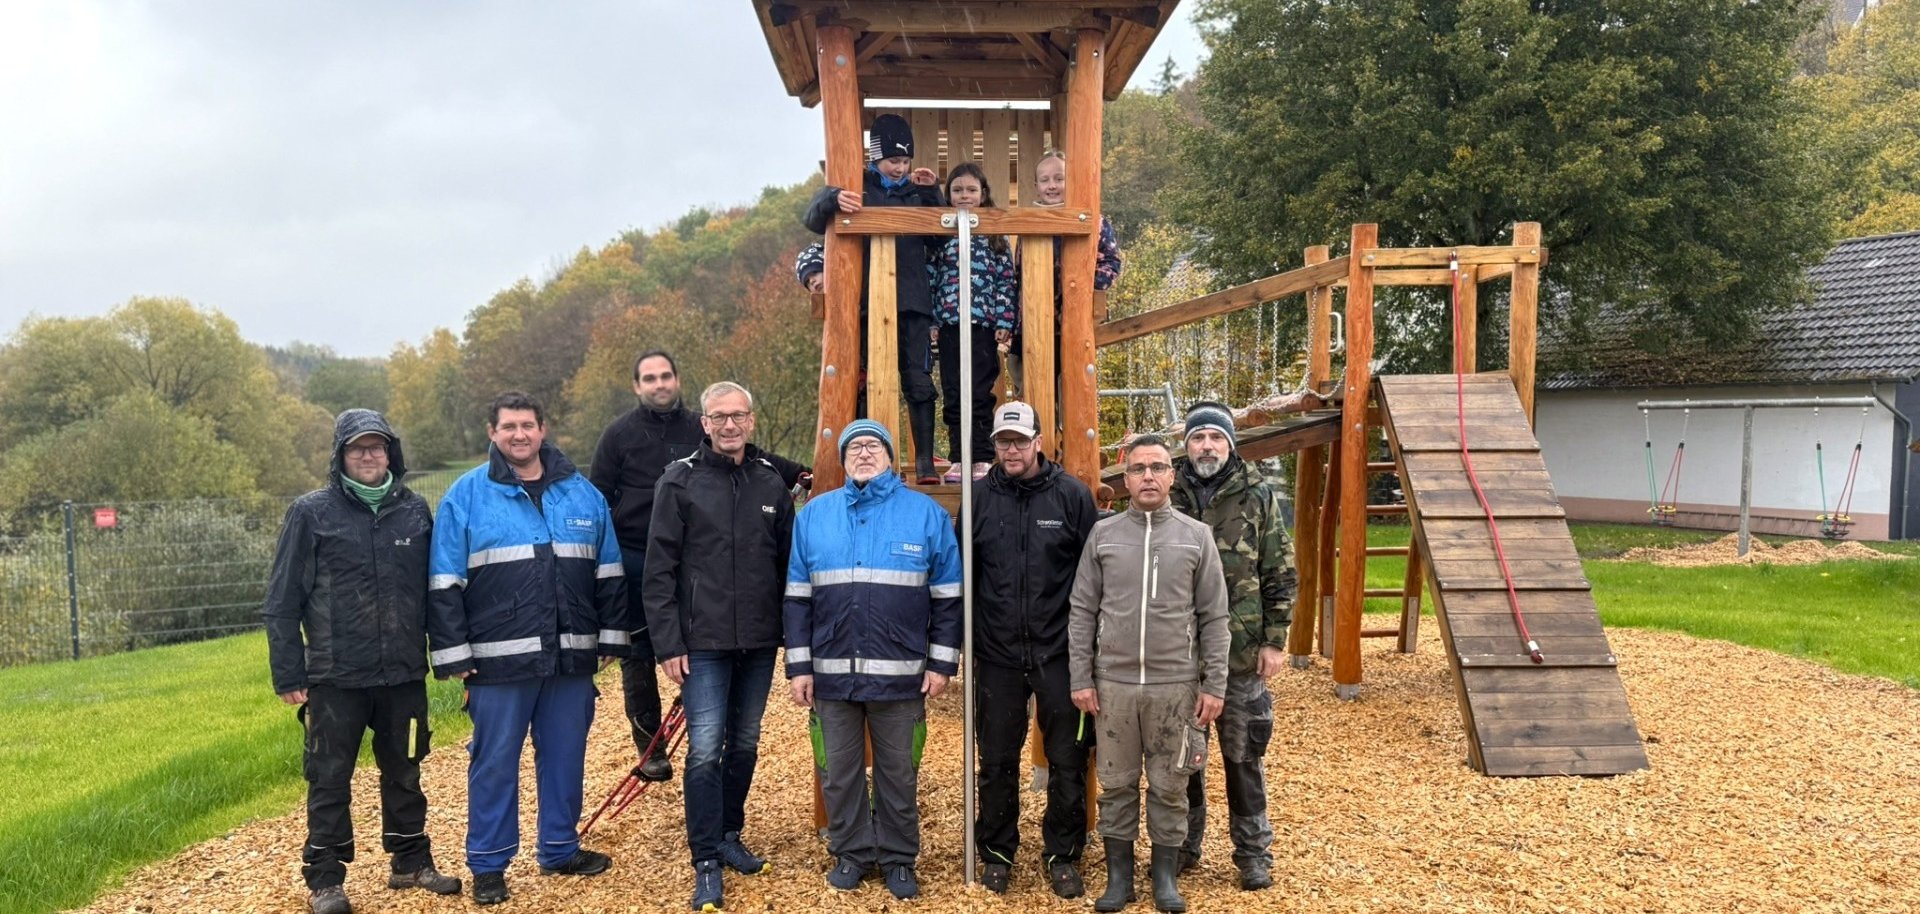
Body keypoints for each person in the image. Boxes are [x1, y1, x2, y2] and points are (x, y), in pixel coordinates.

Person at [427, 391, 629, 906]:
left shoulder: (582, 495)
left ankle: (560, 848)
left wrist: (608, 638)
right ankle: (489, 866)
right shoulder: (466, 496)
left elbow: (608, 573)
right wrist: (455, 656)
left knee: (566, 757)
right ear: (492, 433)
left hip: (570, 659)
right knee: (494, 763)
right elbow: (444, 580)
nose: (520, 435)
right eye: (509, 426)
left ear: (543, 429)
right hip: (497, 663)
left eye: (528, 425)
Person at [264, 409, 460, 914]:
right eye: (358, 449)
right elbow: (283, 600)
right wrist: (289, 672)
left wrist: (450, 659)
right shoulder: (311, 513)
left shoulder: (415, 512)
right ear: (340, 456)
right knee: (328, 777)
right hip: (334, 677)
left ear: (391, 453)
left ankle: (411, 861)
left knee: (407, 769)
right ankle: (325, 879)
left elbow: (438, 593)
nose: (369, 456)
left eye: (377, 447)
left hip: (402, 674)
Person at [591, 351, 808, 784]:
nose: (659, 384)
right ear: (638, 386)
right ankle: (648, 740)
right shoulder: (619, 435)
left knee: (694, 637)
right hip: (637, 551)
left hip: (700, 549)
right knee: (641, 650)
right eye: (649, 378)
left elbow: (752, 454)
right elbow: (598, 496)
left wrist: (800, 474)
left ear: (677, 380)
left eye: (666, 375)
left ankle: (703, 708)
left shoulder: (701, 423)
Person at [783, 419, 963, 900]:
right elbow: (797, 598)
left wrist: (942, 663)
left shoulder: (925, 515)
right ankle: (852, 853)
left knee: (898, 772)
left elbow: (948, 598)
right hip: (830, 675)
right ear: (842, 460)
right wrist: (800, 667)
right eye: (854, 447)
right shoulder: (813, 516)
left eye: (873, 446)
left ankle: (899, 858)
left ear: (889, 456)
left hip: (901, 675)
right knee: (838, 772)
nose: (863, 453)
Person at [643, 382, 796, 912]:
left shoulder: (771, 483)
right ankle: (705, 857)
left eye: (738, 416)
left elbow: (786, 568)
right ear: (704, 423)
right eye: (719, 417)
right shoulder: (679, 482)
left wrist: (788, 637)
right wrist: (667, 643)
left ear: (751, 421)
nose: (729, 425)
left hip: (757, 638)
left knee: (746, 742)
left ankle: (730, 832)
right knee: (705, 749)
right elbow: (658, 570)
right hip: (701, 641)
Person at [1068, 434, 1229, 914]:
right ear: (1126, 479)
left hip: (1175, 687)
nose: (1148, 477)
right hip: (1114, 686)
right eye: (1138, 469)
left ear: (1171, 476)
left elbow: (1214, 616)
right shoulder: (1104, 535)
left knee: (1171, 784)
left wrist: (1214, 684)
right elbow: (1082, 610)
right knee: (1115, 784)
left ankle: (1164, 878)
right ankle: (1120, 878)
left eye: (1158, 467)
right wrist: (1081, 676)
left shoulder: (1195, 536)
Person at [968, 401, 1098, 897]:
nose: (1012, 450)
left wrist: (1091, 649)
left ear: (1039, 442)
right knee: (997, 758)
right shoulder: (978, 498)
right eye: (1004, 441)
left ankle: (1063, 854)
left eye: (1021, 441)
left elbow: (1093, 576)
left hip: (1059, 652)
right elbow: (966, 576)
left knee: (1068, 758)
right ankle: (997, 852)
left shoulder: (1071, 497)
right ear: (995, 445)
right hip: (998, 654)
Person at [1169, 401, 1296, 891]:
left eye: (1216, 438)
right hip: (1179, 658)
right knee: (1184, 761)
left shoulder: (1258, 495)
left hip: (1241, 656)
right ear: (1187, 445)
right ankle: (1183, 845)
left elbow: (1280, 573)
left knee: (1243, 760)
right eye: (1198, 437)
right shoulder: (1167, 494)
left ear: (1230, 444)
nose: (1207, 446)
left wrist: (1275, 640)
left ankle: (1252, 852)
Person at [802, 113, 946, 483]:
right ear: (875, 157)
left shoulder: (918, 189)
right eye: (892, 161)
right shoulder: (857, 183)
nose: (900, 168)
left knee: (918, 379)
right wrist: (832, 198)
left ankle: (925, 464)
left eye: (904, 161)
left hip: (913, 299)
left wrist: (932, 193)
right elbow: (812, 220)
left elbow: (940, 238)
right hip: (865, 302)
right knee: (864, 378)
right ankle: (866, 461)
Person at [928, 162, 1020, 484]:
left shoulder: (994, 234)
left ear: (983, 194)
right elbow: (933, 280)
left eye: (971, 190)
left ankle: (981, 456)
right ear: (948, 195)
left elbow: (1006, 280)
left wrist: (1004, 318)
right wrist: (933, 322)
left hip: (983, 325)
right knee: (953, 392)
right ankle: (958, 458)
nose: (964, 195)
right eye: (957, 190)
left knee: (980, 393)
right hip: (951, 324)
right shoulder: (942, 235)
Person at [1009, 149, 1123, 400]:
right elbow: (1018, 275)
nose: (1052, 186)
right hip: (1030, 324)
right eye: (1046, 180)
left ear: (1070, 181)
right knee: (1029, 390)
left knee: (1071, 392)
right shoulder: (1029, 222)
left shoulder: (1093, 220)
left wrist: (1081, 289)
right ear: (1036, 185)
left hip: (1073, 321)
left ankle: (1065, 437)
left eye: (1059, 179)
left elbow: (1111, 262)